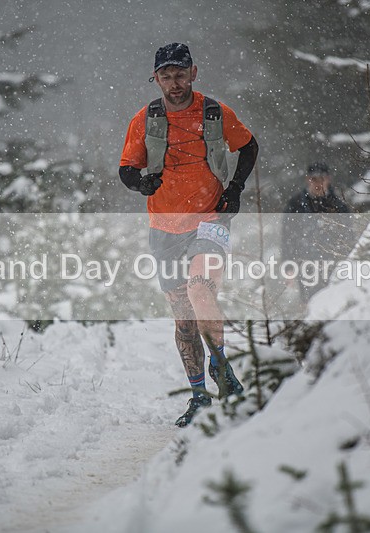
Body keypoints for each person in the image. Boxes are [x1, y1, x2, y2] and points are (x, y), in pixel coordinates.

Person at [119, 43, 259, 427]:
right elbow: (127, 168)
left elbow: (248, 147)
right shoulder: (145, 119)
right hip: (164, 228)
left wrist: (235, 189)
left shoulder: (215, 113)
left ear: (193, 73)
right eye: (166, 76)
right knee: (183, 320)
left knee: (201, 289)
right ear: (156, 79)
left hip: (211, 219)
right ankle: (199, 397)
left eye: (180, 74)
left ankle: (220, 367)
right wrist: (141, 184)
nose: (174, 83)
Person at [281, 162, 351, 305]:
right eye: (314, 179)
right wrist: (288, 267)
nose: (318, 183)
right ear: (308, 180)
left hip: (333, 267)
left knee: (333, 306)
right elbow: (287, 237)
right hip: (305, 266)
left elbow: (348, 238)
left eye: (322, 179)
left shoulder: (339, 206)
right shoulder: (295, 205)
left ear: (328, 179)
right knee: (309, 305)